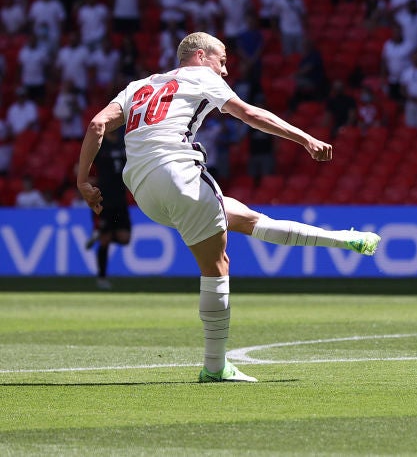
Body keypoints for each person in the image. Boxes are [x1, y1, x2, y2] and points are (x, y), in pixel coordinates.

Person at [76, 32, 380, 384]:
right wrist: (305, 138)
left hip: (143, 190)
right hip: (178, 174)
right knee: (216, 267)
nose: (223, 72)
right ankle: (216, 366)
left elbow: (98, 124)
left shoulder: (138, 86)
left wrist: (84, 180)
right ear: (201, 56)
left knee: (249, 219)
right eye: (222, 62)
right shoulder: (201, 75)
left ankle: (344, 240)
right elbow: (249, 113)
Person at [84, 128, 132, 290]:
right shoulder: (99, 145)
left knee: (125, 238)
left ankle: (101, 234)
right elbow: (83, 165)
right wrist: (88, 181)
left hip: (120, 198)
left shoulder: (123, 142)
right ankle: (102, 277)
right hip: (104, 198)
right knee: (105, 242)